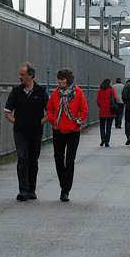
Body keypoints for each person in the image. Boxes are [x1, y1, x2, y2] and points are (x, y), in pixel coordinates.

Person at [4, 62, 48, 201]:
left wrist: (40, 122)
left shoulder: (41, 92)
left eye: (22, 75)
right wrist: (16, 122)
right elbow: (7, 112)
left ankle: (31, 189)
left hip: (36, 131)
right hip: (20, 131)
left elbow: (50, 112)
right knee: (22, 158)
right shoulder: (16, 92)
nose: (20, 77)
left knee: (33, 160)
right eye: (20, 75)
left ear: (31, 76)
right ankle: (23, 190)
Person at [46, 69, 88, 202]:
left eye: (62, 79)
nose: (60, 81)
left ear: (68, 80)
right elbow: (49, 109)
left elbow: (84, 109)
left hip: (73, 131)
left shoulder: (78, 93)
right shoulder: (55, 94)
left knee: (69, 160)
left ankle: (65, 190)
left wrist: (78, 121)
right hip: (58, 129)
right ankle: (63, 183)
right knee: (58, 158)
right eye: (59, 79)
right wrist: (53, 120)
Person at [96, 79, 118, 147]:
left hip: (102, 111)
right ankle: (107, 142)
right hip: (110, 112)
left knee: (102, 127)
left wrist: (101, 106)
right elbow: (114, 99)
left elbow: (98, 101)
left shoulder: (100, 90)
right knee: (108, 127)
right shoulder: (111, 90)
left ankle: (103, 139)